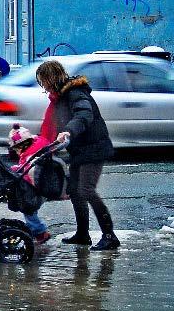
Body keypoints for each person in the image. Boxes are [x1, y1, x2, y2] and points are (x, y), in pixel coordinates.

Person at [35, 60, 120, 250]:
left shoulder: (76, 93)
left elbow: (83, 115)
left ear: (52, 78)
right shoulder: (60, 97)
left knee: (86, 190)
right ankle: (83, 234)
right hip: (80, 150)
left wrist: (68, 131)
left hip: (94, 147)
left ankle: (109, 235)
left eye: (45, 82)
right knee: (74, 190)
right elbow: (52, 125)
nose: (45, 87)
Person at [8, 123, 51, 244]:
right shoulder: (38, 148)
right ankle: (38, 231)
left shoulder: (29, 156)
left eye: (16, 149)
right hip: (41, 187)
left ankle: (40, 232)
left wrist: (15, 170)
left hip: (32, 189)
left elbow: (27, 173)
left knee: (28, 210)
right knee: (31, 211)